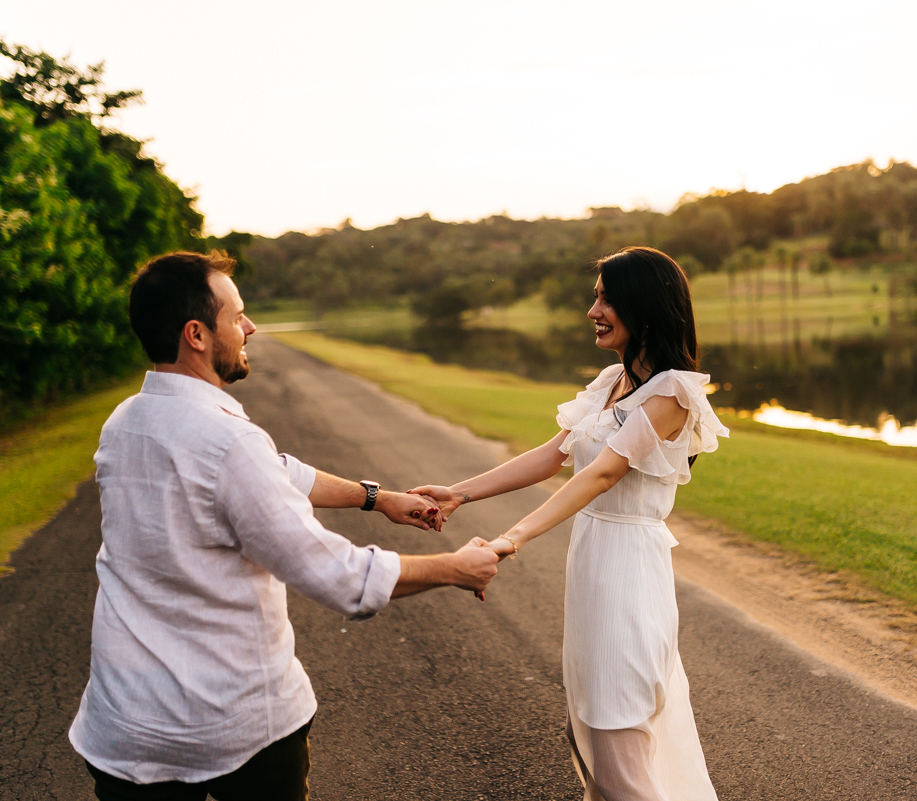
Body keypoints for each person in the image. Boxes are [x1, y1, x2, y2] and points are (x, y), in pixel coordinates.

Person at [69, 251, 500, 801]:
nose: (249, 327)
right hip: (232, 730)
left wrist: (377, 498)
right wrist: (456, 569)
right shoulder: (228, 442)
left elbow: (273, 473)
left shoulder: (125, 422)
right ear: (197, 334)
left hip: (123, 728)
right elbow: (339, 577)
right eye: (238, 316)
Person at [412, 246, 729, 800]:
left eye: (606, 297)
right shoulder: (612, 380)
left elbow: (602, 475)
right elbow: (552, 455)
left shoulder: (674, 392)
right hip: (594, 563)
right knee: (589, 724)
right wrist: (459, 493)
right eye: (596, 296)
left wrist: (514, 537)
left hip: (629, 571)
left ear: (645, 306)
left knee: (616, 733)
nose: (593, 309)